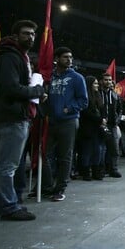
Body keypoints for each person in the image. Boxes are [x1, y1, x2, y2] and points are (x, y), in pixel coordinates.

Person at [0, 20, 46, 220]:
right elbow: (11, 89)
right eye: (26, 33)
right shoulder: (9, 57)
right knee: (9, 165)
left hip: (14, 115)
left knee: (5, 164)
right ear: (15, 36)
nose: (30, 37)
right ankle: (9, 207)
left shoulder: (17, 56)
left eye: (32, 34)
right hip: (13, 117)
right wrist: (37, 91)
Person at [42, 46, 88, 201]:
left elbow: (84, 101)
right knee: (45, 155)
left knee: (65, 156)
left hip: (69, 121)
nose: (69, 60)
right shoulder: (50, 77)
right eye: (65, 57)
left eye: (70, 57)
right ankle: (48, 185)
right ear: (56, 59)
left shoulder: (77, 78)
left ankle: (60, 188)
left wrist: (69, 109)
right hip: (52, 121)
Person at [100, 73, 122, 177]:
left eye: (109, 80)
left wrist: (117, 120)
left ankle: (114, 169)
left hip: (112, 125)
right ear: (102, 81)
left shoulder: (115, 95)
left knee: (114, 149)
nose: (108, 82)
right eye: (105, 80)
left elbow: (119, 110)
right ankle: (101, 169)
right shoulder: (98, 94)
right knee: (101, 149)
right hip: (100, 124)